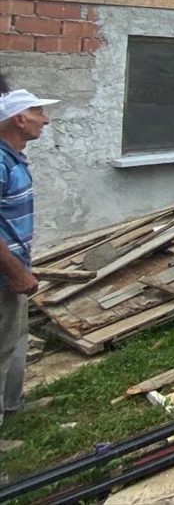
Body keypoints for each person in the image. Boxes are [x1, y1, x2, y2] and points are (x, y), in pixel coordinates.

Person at [0, 88, 57, 427]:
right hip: (4, 272)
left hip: (14, 267)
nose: (45, 120)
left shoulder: (14, 158)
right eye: (39, 113)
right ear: (20, 119)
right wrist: (16, 272)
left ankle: (12, 406)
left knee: (13, 340)